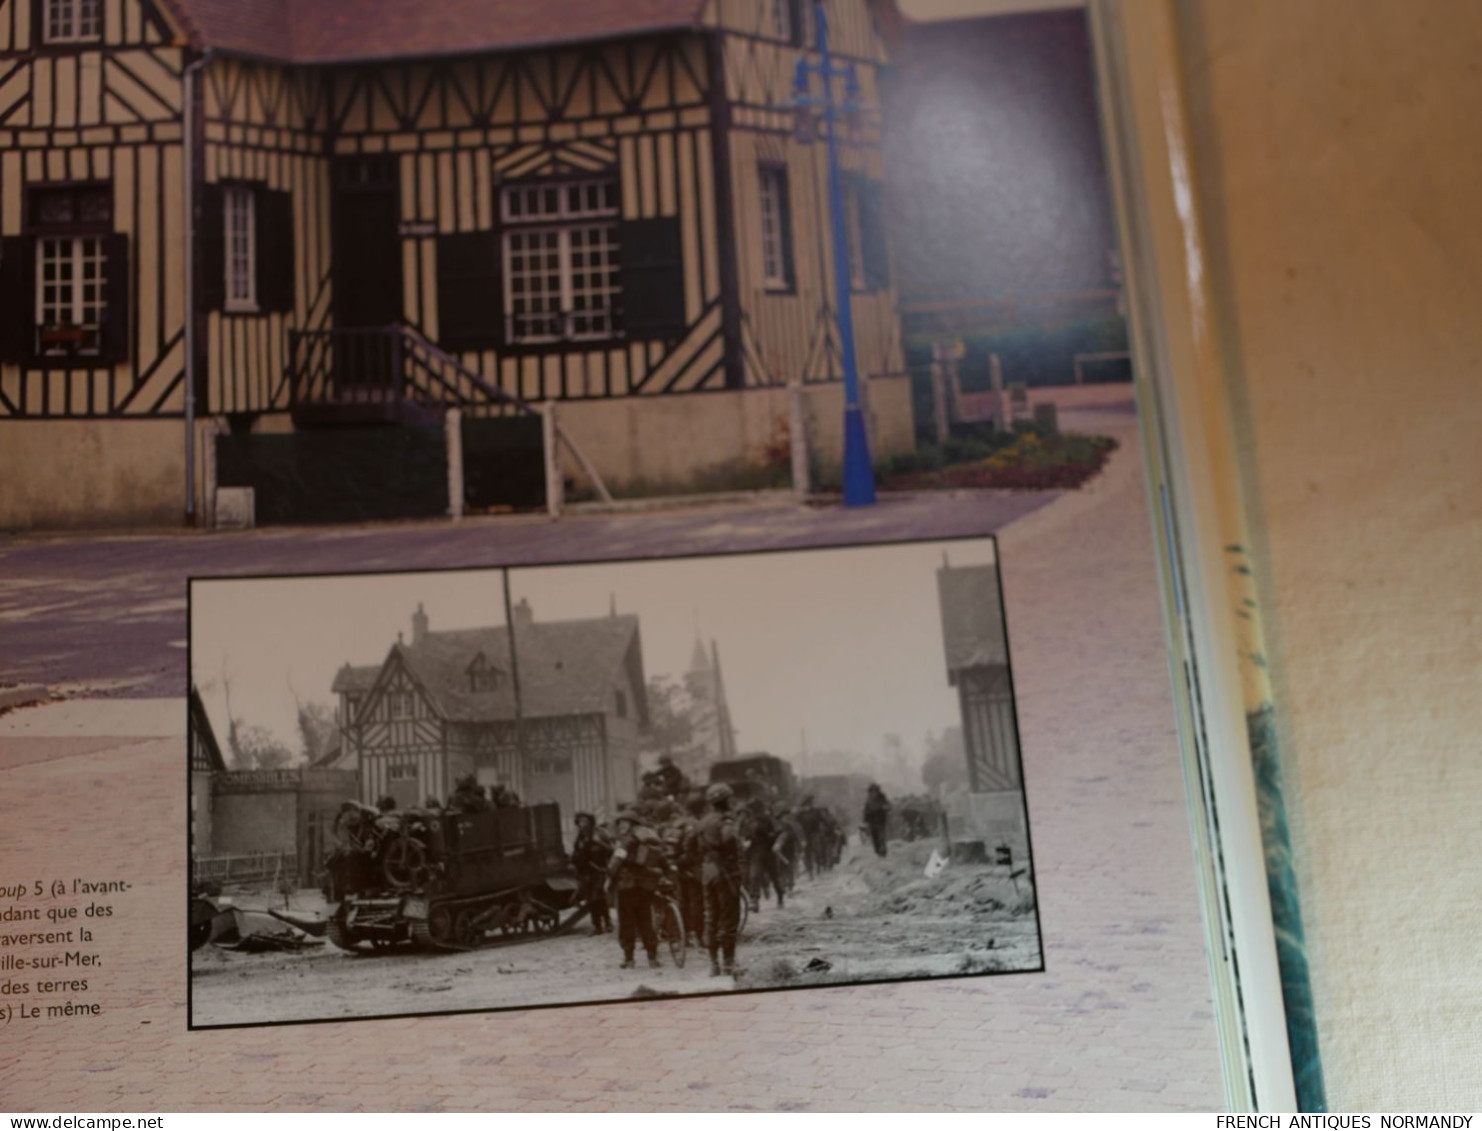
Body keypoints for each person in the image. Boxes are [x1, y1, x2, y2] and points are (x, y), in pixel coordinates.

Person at [607, 807, 666, 969]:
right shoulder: (647, 837)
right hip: (645, 886)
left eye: (624, 822)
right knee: (645, 920)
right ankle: (652, 958)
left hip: (627, 886)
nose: (621, 826)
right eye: (620, 823)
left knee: (627, 923)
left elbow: (616, 862)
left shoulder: (626, 841)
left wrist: (609, 873)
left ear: (632, 824)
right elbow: (661, 858)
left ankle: (629, 959)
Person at [697, 783, 744, 977]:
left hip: (707, 872)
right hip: (725, 873)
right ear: (725, 801)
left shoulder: (702, 822)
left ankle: (713, 964)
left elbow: (695, 848)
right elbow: (729, 842)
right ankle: (729, 964)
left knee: (711, 917)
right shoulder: (727, 821)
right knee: (729, 918)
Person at [571, 812, 613, 935]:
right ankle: (597, 926)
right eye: (580, 822)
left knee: (599, 897)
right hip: (586, 873)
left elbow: (610, 851)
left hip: (599, 870)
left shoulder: (600, 834)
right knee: (591, 900)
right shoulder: (580, 839)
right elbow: (577, 856)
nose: (582, 824)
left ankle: (608, 922)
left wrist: (598, 843)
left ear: (590, 822)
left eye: (585, 821)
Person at [864, 783, 891, 858]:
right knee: (874, 836)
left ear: (877, 790)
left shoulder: (881, 796)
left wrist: (886, 808)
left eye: (875, 790)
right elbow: (866, 809)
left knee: (881, 835)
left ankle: (883, 850)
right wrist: (865, 820)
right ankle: (878, 850)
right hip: (872, 820)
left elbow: (887, 804)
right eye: (872, 791)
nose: (874, 792)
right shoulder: (868, 798)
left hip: (880, 818)